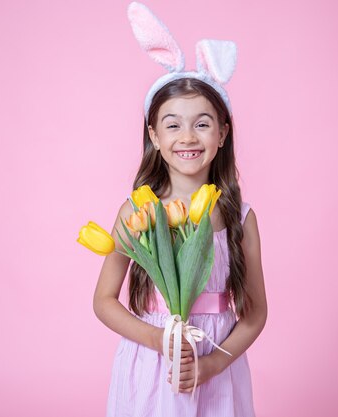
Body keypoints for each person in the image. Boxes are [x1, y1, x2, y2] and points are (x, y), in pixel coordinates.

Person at [92, 3, 267, 416]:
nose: (187, 136)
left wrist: (212, 364)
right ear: (153, 135)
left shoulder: (239, 217)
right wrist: (158, 341)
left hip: (216, 364)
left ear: (223, 133)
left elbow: (256, 312)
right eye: (172, 124)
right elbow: (103, 300)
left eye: (202, 123)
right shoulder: (138, 211)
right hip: (152, 365)